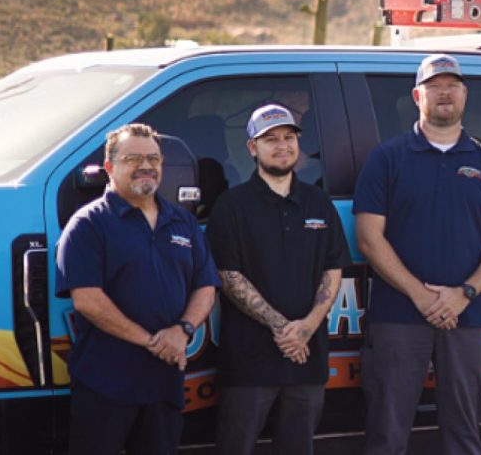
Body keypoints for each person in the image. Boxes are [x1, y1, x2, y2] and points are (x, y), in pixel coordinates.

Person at [353, 54, 481, 455]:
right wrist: (420, 294)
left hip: (468, 316)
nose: (444, 92)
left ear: (465, 95)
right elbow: (369, 238)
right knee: (386, 432)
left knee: (464, 434)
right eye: (434, 86)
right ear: (417, 95)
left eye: (452, 85)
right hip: (398, 315)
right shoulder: (387, 158)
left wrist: (463, 294)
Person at [55, 123, 219, 455]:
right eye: (134, 158)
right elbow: (87, 300)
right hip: (106, 381)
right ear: (110, 168)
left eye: (154, 159)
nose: (146, 166)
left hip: (164, 382)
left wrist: (183, 330)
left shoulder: (182, 220)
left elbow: (205, 286)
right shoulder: (88, 224)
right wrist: (154, 341)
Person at [206, 103, 350, 455]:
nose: (282, 146)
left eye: (289, 137)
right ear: (252, 148)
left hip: (307, 358)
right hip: (249, 360)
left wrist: (307, 327)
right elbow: (229, 275)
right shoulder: (231, 206)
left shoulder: (318, 203)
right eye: (270, 139)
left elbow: (332, 269)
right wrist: (284, 328)